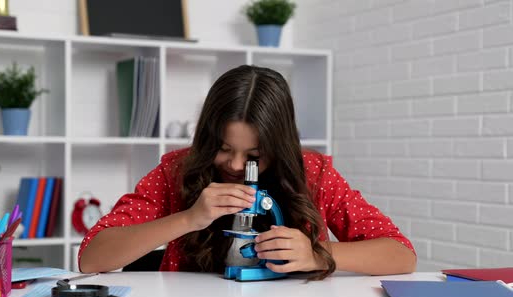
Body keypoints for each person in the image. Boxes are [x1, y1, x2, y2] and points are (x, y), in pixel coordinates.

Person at [79, 65, 416, 280]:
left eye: (254, 155)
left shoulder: (314, 172)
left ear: (279, 145)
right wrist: (188, 218)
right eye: (223, 149)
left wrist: (317, 253)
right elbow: (91, 257)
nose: (237, 166)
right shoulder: (176, 170)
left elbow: (401, 254)